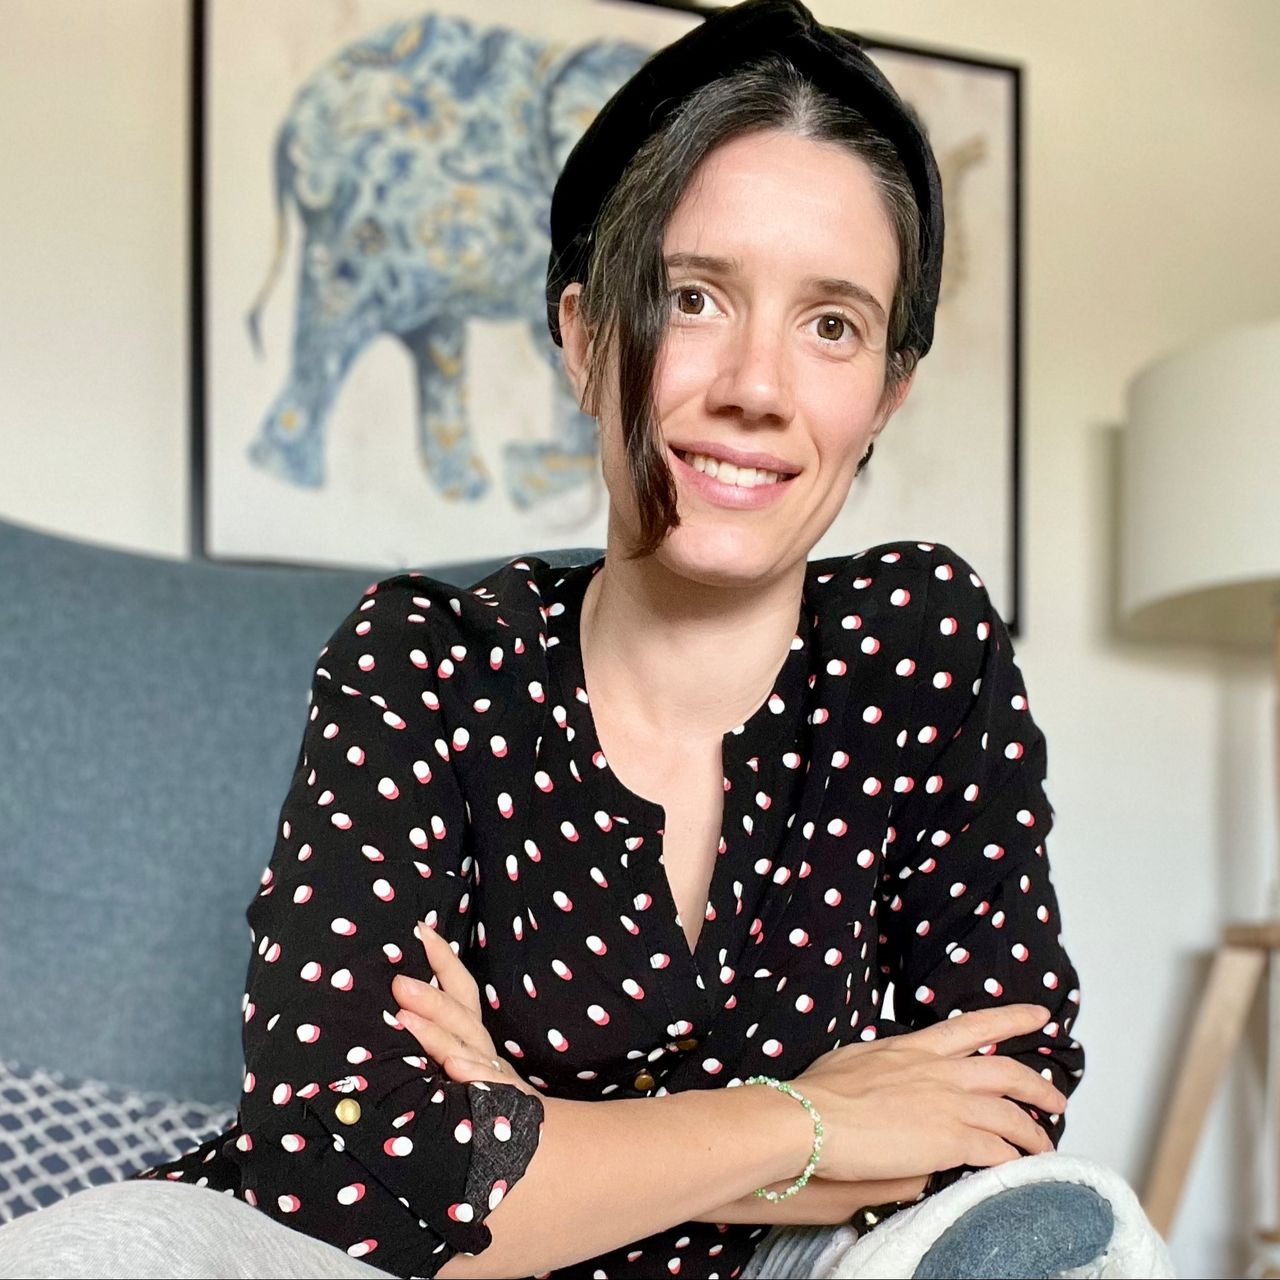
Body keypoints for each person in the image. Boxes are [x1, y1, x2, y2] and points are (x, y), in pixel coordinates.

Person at [0, 2, 1096, 1278]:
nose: (756, 386)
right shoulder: (422, 657)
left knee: (1081, 1233)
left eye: (830, 324)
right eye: (692, 297)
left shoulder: (920, 644)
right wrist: (808, 1118)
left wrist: (522, 1128)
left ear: (886, 395)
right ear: (582, 337)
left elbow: (1006, 1113)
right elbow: (335, 1163)